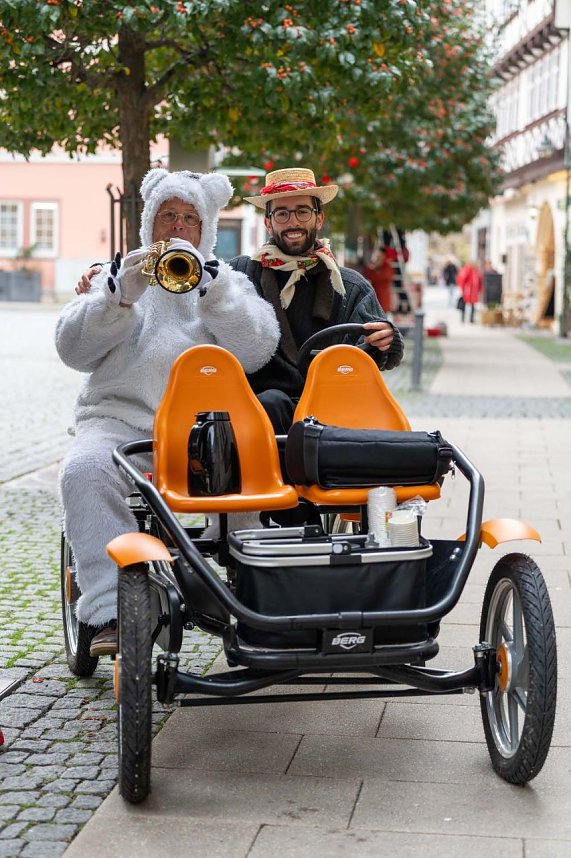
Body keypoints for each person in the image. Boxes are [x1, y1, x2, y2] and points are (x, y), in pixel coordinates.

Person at [57, 168, 281, 657]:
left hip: (204, 434)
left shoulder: (229, 280)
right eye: (167, 217)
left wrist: (217, 297)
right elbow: (72, 350)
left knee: (251, 482)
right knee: (83, 470)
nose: (177, 228)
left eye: (188, 218)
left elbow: (259, 349)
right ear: (148, 224)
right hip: (120, 422)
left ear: (204, 229)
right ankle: (106, 611)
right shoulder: (117, 275)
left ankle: (261, 608)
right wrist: (119, 297)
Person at [230, 167, 404, 433]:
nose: (293, 222)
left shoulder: (350, 285)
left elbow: (381, 348)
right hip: (259, 418)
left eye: (302, 211)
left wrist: (385, 340)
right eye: (282, 213)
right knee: (272, 403)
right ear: (268, 222)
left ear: (318, 219)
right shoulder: (240, 275)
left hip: (331, 411)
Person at [362, 247, 394, 313]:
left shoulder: (387, 267)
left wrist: (374, 270)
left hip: (383, 299)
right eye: (377, 257)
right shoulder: (373, 268)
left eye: (379, 257)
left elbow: (381, 278)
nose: (377, 259)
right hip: (375, 297)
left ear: (384, 256)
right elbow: (366, 274)